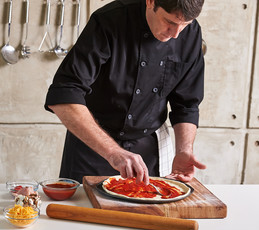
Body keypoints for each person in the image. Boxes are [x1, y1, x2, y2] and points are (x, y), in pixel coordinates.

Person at [44, 0, 207, 185]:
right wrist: (112, 152)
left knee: (146, 212)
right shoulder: (108, 21)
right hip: (93, 147)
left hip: (148, 152)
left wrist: (183, 150)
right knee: (85, 212)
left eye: (184, 25)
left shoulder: (191, 34)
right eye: (169, 22)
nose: (176, 34)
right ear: (150, 2)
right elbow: (65, 93)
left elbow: (186, 104)